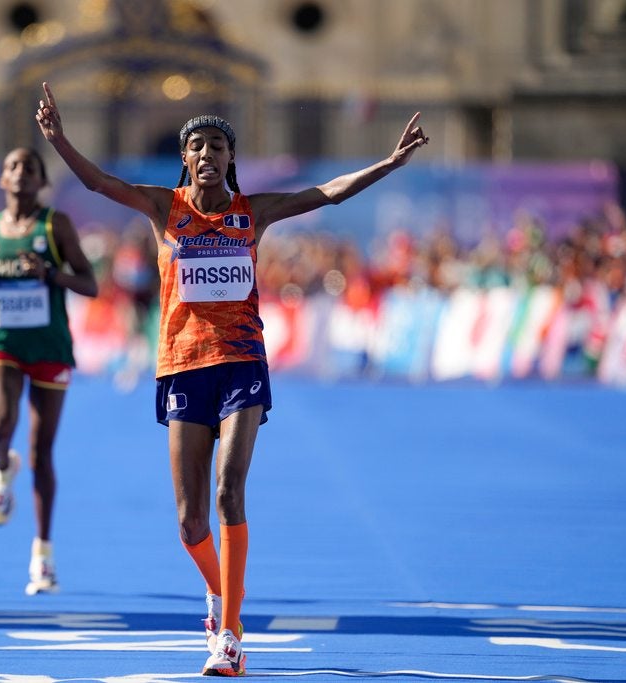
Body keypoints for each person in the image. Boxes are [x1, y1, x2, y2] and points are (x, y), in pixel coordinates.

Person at [36, 82, 428, 675]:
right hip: (181, 367)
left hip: (242, 361)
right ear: (185, 158)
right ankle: (219, 595)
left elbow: (326, 194)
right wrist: (59, 140)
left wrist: (389, 164)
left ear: (230, 158)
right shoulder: (162, 208)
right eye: (197, 145)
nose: (208, 154)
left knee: (228, 490)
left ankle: (231, 632)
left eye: (219, 144)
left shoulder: (255, 211)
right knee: (190, 521)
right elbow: (98, 183)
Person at [0, 146, 98, 596]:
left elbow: (90, 283)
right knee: (0, 424)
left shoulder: (54, 225)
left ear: (42, 182)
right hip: (1, 342)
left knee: (42, 454)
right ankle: (2, 468)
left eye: (30, 168)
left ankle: (43, 555)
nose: (21, 173)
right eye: (13, 166)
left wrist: (51, 275)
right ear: (2, 179)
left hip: (49, 347)